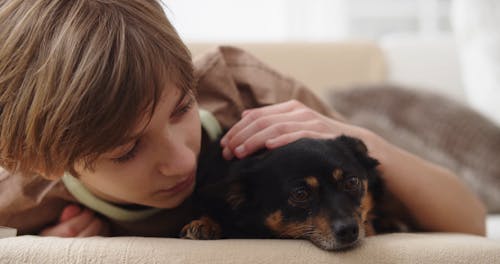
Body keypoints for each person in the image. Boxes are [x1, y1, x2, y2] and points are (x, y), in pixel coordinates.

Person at [0, 0, 485, 237]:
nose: (180, 160)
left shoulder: (254, 95)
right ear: (40, 160)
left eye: (181, 109)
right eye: (126, 151)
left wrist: (358, 137)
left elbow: (470, 227)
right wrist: (49, 246)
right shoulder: (24, 187)